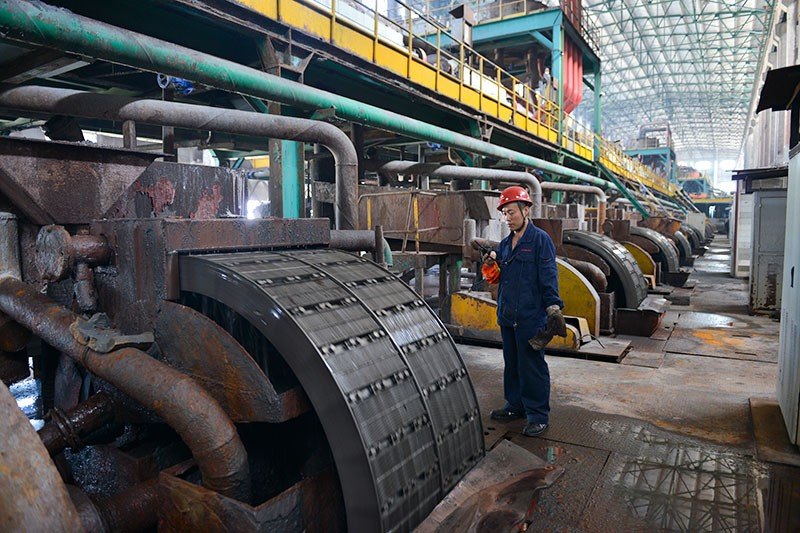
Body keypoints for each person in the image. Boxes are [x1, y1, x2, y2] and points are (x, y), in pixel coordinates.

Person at [481, 185, 566, 437]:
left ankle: (538, 415)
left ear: (526, 209)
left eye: (511, 213)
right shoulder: (506, 244)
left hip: (531, 317)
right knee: (512, 364)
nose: (508, 218)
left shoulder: (540, 240)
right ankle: (515, 405)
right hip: (508, 316)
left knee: (532, 366)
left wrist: (553, 307)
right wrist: (490, 266)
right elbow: (498, 279)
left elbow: (548, 275)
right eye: (505, 214)